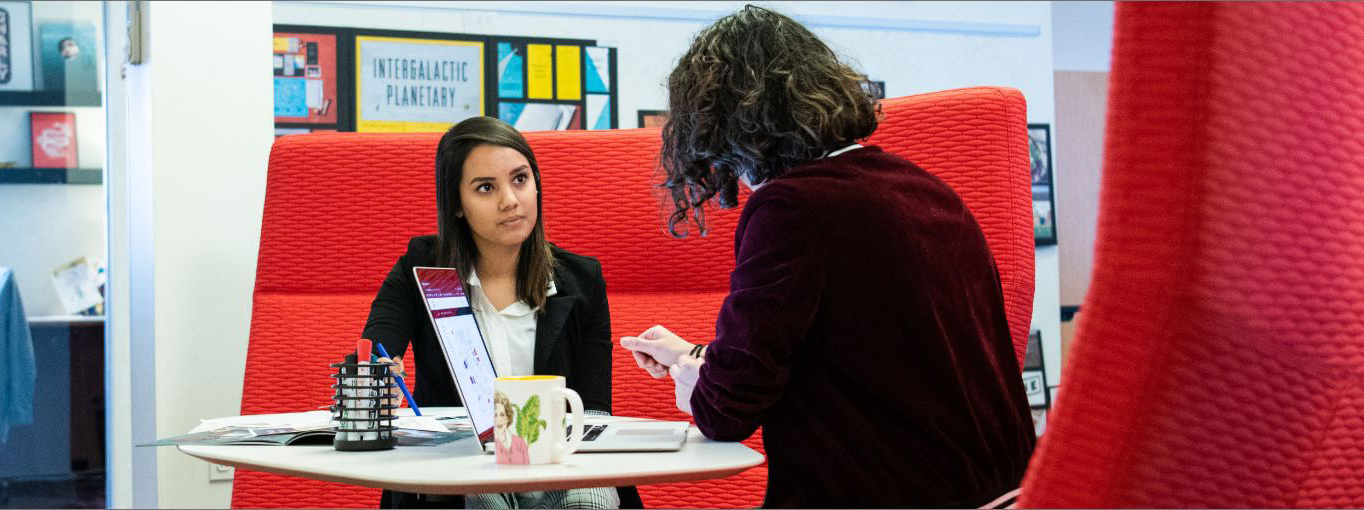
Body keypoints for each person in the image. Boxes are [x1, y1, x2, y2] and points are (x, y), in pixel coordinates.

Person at [618, 6, 1037, 508]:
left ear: (717, 125)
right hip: (1004, 491)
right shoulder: (923, 187)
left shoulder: (793, 206)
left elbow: (724, 410)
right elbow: (857, 354)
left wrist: (696, 381)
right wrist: (696, 357)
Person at [361, 116, 619, 509]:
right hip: (463, 461)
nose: (510, 201)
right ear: (458, 205)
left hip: (561, 462)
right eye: (486, 187)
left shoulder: (581, 279)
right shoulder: (424, 269)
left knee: (590, 504)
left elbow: (596, 407)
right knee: (485, 498)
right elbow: (372, 352)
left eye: (520, 179)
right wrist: (377, 379)